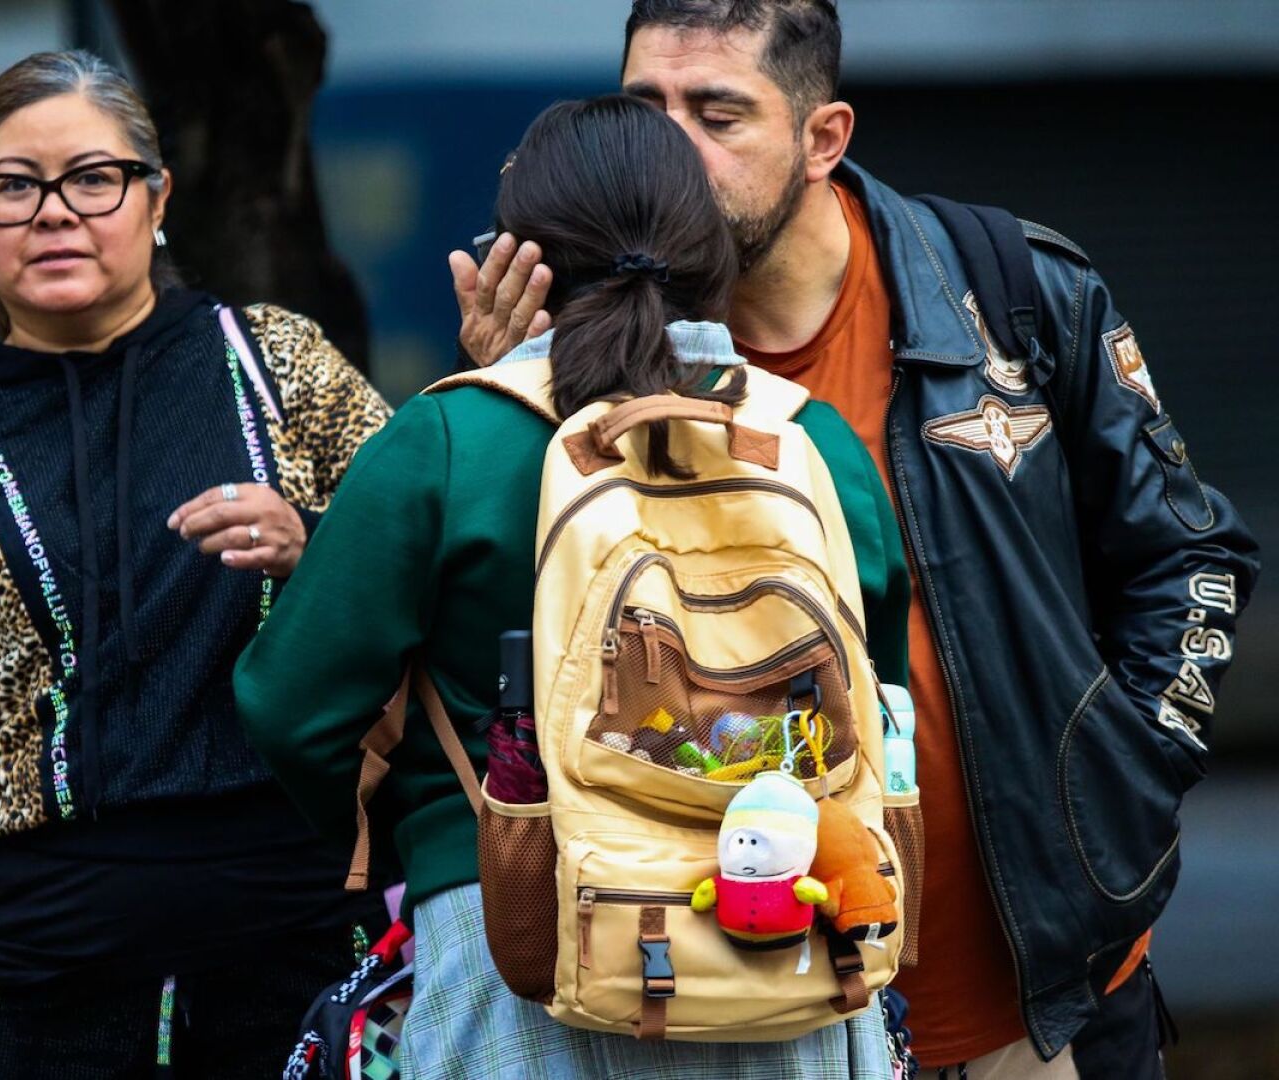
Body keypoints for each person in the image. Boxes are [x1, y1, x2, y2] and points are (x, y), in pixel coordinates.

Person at [451, 3, 1261, 1078]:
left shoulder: (1010, 293)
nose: (671, 146)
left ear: (823, 138)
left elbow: (1190, 557)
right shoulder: (591, 349)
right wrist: (515, 413)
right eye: (645, 107)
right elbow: (517, 661)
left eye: (718, 112)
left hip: (1047, 997)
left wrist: (1128, 769)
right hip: (741, 1005)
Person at [236, 93, 910, 1079]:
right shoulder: (815, 447)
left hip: (516, 945)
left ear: (525, 259)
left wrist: (428, 837)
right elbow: (877, 695)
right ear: (709, 250)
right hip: (786, 945)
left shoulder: (447, 442)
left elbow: (289, 703)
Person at [0, 50, 390, 1079]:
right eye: (14, 186)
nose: (55, 212)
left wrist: (319, 538)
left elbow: (434, 577)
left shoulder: (277, 367)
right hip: (47, 995)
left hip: (305, 965)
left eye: (93, 178)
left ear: (156, 197)